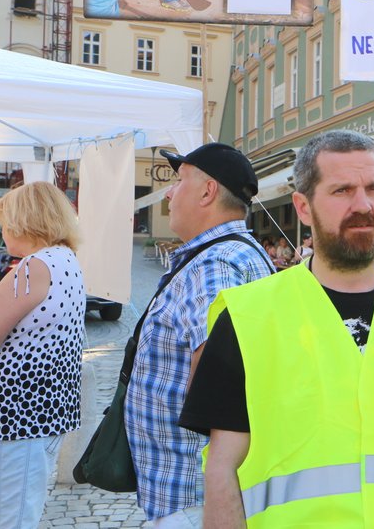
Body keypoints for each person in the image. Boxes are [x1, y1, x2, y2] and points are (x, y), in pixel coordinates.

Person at [180, 130, 374, 526]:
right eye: (342, 191)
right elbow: (222, 471)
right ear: (303, 207)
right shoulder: (246, 316)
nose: (363, 205)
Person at [124, 142, 274, 526]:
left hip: (192, 498)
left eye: (179, 181)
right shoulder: (238, 254)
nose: (170, 194)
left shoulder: (214, 266)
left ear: (207, 192)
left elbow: (218, 389)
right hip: (196, 492)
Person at [0, 181, 85, 528]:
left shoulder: (34, 266)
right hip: (34, 420)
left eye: (5, 220)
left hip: (11, 424)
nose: (4, 229)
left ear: (23, 220)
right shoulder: (64, 260)